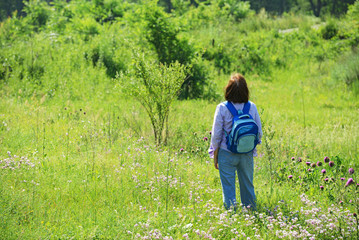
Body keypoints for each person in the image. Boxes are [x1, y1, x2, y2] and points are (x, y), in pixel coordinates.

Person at [208, 73, 262, 211]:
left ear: (228, 90)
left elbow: (216, 135)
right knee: (248, 186)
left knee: (228, 188)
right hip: (247, 153)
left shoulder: (222, 108)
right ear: (245, 90)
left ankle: (232, 216)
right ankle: (251, 213)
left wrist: (214, 153)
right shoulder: (252, 107)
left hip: (227, 153)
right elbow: (259, 133)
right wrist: (249, 147)